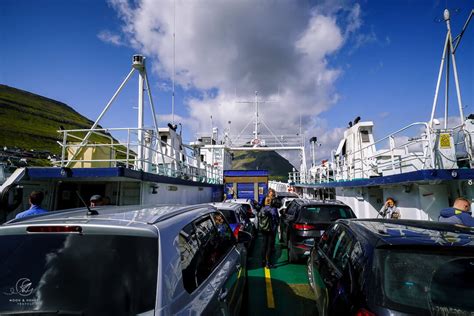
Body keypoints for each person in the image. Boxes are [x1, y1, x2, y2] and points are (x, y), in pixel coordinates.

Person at [260, 189, 279, 268]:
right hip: (271, 229)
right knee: (269, 246)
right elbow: (275, 217)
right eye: (272, 196)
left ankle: (263, 261)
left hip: (264, 228)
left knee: (264, 245)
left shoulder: (263, 209)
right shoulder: (272, 209)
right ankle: (268, 262)